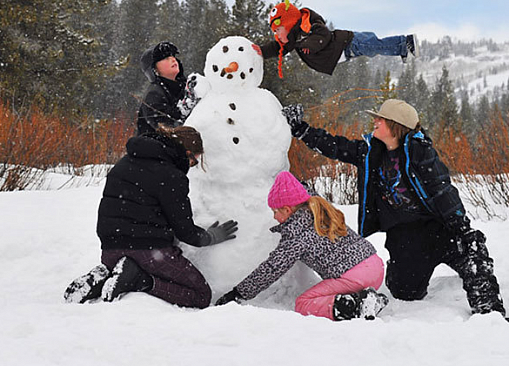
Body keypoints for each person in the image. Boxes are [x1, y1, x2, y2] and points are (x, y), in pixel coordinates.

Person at [280, 99, 506, 317]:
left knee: (471, 248)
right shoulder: (370, 152)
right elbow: (336, 147)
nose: (375, 121)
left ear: (396, 126)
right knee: (404, 293)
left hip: (437, 228)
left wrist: (462, 227)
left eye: (381, 119)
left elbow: (442, 190)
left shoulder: (420, 152)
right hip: (405, 238)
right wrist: (301, 129)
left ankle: (488, 309)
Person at [64, 125, 238, 308]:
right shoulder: (171, 176)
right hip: (148, 253)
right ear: (187, 153)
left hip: (109, 249)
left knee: (122, 264)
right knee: (201, 295)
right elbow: (185, 232)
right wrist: (211, 236)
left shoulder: (124, 163)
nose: (191, 167)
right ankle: (139, 280)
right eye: (194, 162)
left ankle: (105, 276)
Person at [216, 171, 389, 321]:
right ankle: (365, 298)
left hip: (354, 277)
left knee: (304, 303)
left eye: (276, 211)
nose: (274, 217)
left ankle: (358, 306)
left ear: (288, 210)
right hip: (375, 266)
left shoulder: (296, 232)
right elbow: (303, 190)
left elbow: (272, 268)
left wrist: (238, 293)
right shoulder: (315, 205)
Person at [253, 0, 418, 78]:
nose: (278, 35)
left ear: (289, 23)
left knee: (374, 45)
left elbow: (323, 35)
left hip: (347, 42)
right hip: (345, 51)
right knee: (375, 49)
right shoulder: (293, 39)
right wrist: (261, 51)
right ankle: (402, 47)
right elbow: (277, 48)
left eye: (279, 30)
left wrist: (309, 44)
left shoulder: (308, 25)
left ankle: (406, 42)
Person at [137, 41, 199, 135]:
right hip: (163, 146)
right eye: (166, 58)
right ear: (154, 69)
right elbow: (168, 128)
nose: (173, 60)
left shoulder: (187, 85)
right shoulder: (153, 95)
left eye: (173, 56)